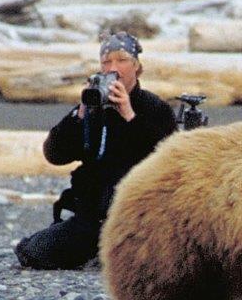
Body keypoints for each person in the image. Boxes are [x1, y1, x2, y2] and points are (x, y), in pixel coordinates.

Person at [14, 31, 177, 270]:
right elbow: (55, 154)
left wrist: (129, 116)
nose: (113, 68)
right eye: (106, 62)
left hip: (138, 216)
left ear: (136, 66)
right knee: (31, 253)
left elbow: (166, 161)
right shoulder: (94, 107)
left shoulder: (155, 108)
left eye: (121, 60)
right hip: (93, 217)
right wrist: (79, 115)